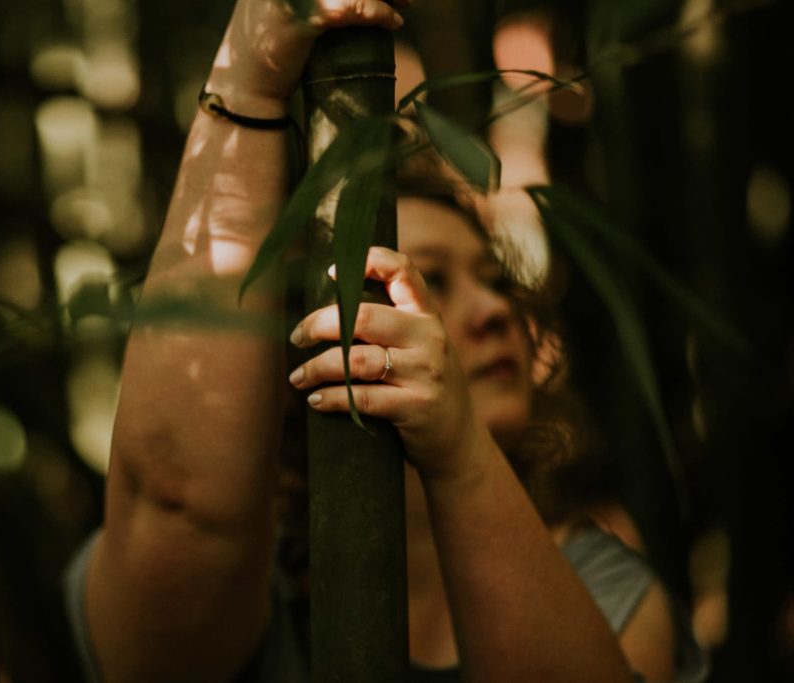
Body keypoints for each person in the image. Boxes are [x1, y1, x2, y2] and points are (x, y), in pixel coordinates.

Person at [63, 1, 708, 680]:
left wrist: (459, 452)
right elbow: (176, 503)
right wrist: (249, 83)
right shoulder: (250, 589)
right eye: (430, 280)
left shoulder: (604, 591)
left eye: (495, 281)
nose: (494, 310)